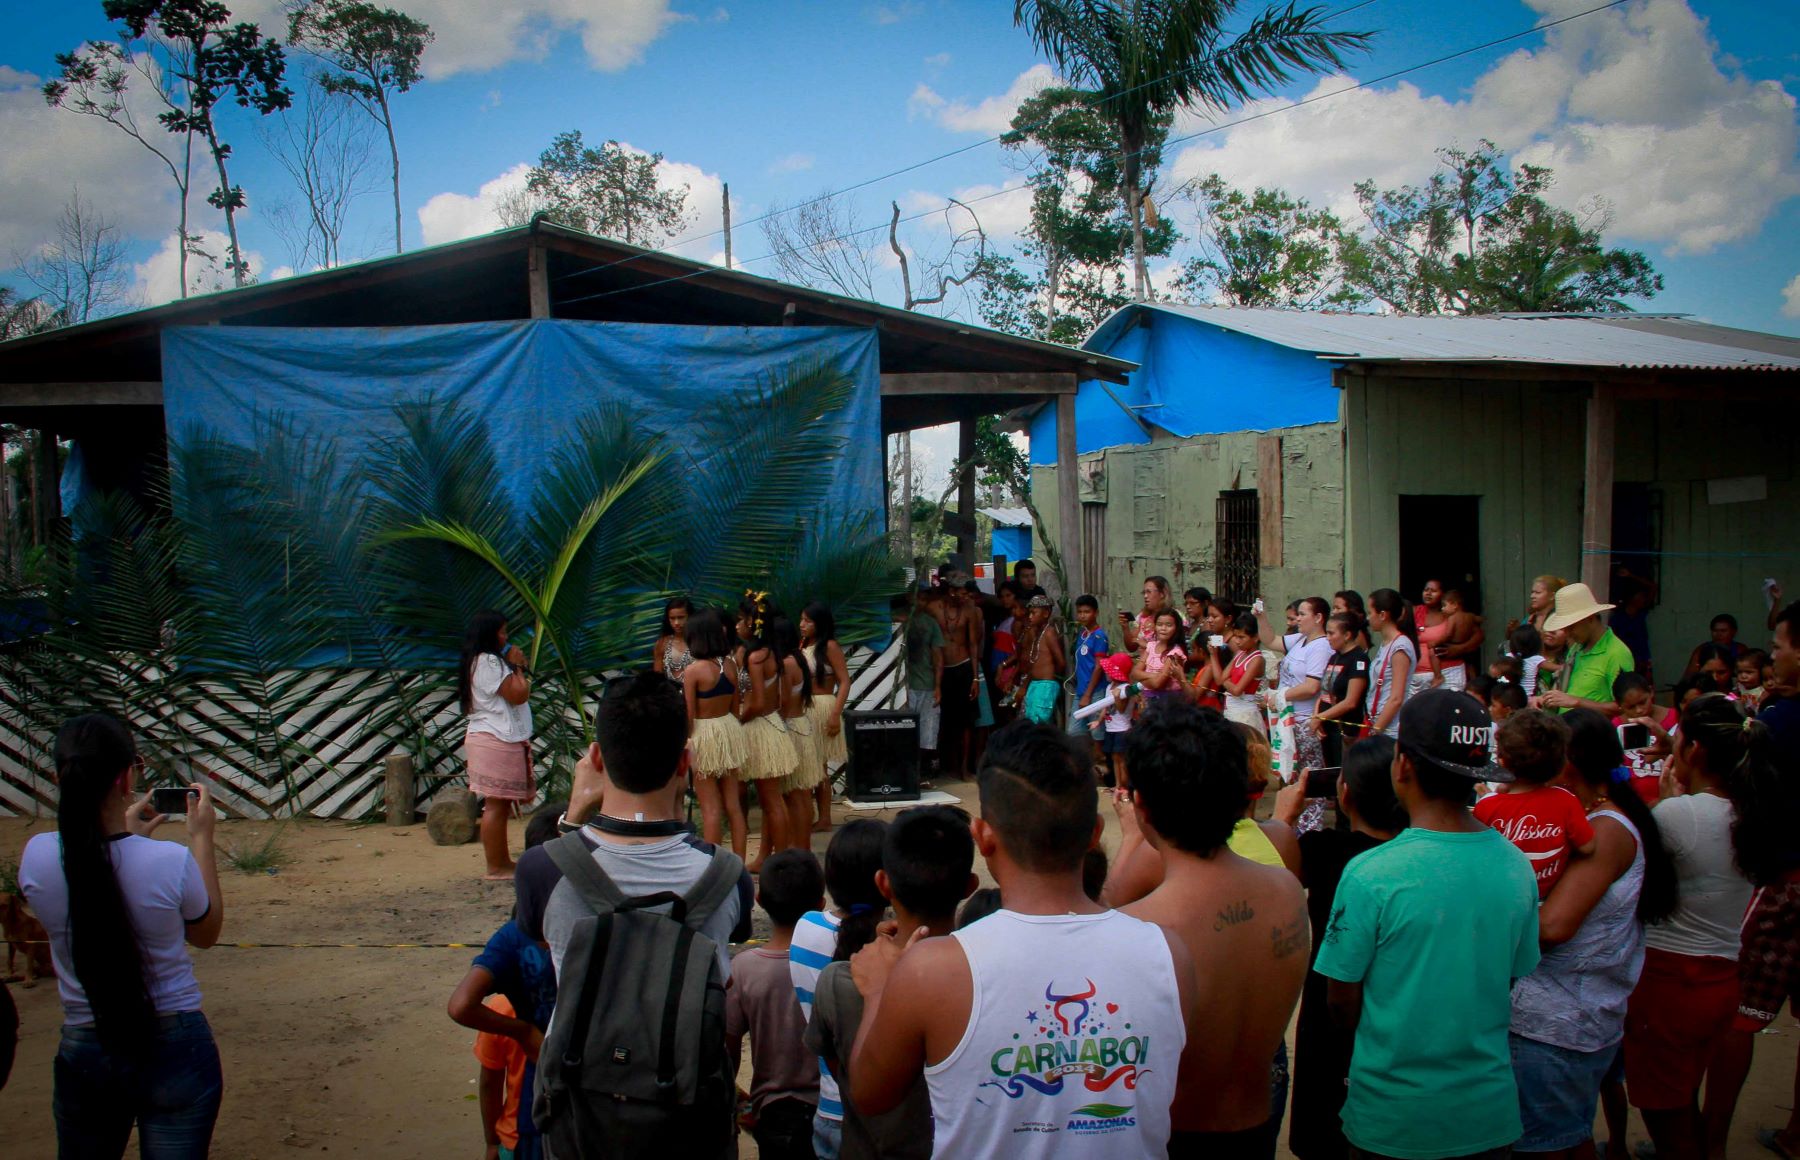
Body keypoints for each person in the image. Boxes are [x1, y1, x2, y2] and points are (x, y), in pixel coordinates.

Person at [847, 721, 1197, 1159]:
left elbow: (869, 1094)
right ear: (1093, 835)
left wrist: (880, 991)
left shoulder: (933, 970)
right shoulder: (1168, 956)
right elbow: (1168, 1092)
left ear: (983, 836)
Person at [1313, 689, 1541, 1160]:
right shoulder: (1516, 865)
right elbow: (1512, 975)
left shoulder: (1371, 873)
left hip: (1393, 1118)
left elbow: (1340, 1000)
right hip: (1487, 1112)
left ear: (1403, 765)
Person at [19, 715, 226, 1157]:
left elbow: (100, 882)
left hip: (86, 1043)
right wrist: (202, 838)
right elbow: (206, 931)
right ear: (128, 775)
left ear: (59, 776)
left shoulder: (36, 857)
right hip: (175, 1040)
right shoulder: (168, 861)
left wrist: (127, 837)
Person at [1120, 699, 1310, 1156]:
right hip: (1257, 1118)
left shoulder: (1134, 930)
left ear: (1141, 805)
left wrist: (1128, 841)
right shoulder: (1285, 889)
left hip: (1171, 1134)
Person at [1508, 709, 1675, 1160]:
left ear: (1567, 764)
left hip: (1555, 1026)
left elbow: (1554, 925)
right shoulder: (1591, 818)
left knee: (1544, 1145)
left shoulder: (1606, 829)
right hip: (1569, 1018)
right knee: (1566, 1135)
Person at [515, 669, 753, 981]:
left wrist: (574, 814)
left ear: (597, 759)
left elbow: (540, 931)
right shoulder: (729, 875)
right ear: (685, 763)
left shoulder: (540, 869)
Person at [1622, 694, 1755, 1160]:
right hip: (1722, 975)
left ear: (1694, 750)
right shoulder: (1750, 809)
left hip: (1671, 979)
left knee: (1664, 1107)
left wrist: (1667, 799)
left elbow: (1634, 874)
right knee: (1683, 1097)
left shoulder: (1680, 816)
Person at [807, 807, 976, 1160]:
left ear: (884, 884)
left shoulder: (839, 982)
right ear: (970, 886)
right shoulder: (983, 975)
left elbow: (847, 1080)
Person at [1273, 736, 1406, 1160]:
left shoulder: (1324, 850)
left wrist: (1283, 816)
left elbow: (1272, 882)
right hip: (1393, 1007)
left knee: (1326, 1126)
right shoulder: (1413, 856)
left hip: (1331, 999)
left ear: (1342, 792)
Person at [448, 807, 563, 1160]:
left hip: (534, 1103)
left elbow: (461, 1005)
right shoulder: (599, 928)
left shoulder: (512, 937)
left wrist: (522, 1032)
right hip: (588, 1095)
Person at [792, 817, 887, 1159]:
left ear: (829, 877)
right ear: (888, 881)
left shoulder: (805, 929)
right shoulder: (899, 944)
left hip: (831, 1109)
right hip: (890, 1119)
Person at [729, 848, 825, 1160]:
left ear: (759, 901)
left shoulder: (744, 968)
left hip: (773, 1110)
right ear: (821, 903)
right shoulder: (838, 960)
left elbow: (727, 1047)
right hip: (832, 1105)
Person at [1473, 709, 1596, 898]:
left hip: (1501, 901)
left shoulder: (1487, 805)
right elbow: (1588, 847)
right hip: (1545, 901)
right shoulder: (1566, 800)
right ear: (1560, 762)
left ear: (1503, 761)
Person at [460, 609, 535, 880]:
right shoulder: (488, 662)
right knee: (495, 805)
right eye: (502, 631)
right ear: (489, 634)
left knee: (498, 804)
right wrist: (515, 665)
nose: (506, 637)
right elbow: (518, 694)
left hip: (493, 737)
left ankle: (502, 861)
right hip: (494, 739)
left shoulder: (481, 661)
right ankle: (496, 866)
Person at [682, 607, 752, 856]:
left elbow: (689, 715)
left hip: (704, 735)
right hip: (729, 731)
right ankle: (739, 863)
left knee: (710, 808)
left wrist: (685, 743)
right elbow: (735, 709)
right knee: (733, 805)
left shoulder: (693, 671)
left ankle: (713, 866)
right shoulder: (731, 665)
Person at [738, 593, 796, 869]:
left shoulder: (756, 657)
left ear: (753, 622)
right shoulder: (772, 652)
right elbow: (781, 699)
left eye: (741, 620)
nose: (738, 625)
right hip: (773, 725)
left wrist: (739, 719)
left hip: (760, 727)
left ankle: (781, 861)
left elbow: (759, 702)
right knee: (771, 799)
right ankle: (766, 857)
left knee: (772, 801)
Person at [1537, 583, 1634, 717]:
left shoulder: (1617, 653)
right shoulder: (1576, 649)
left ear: (1590, 618)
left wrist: (1577, 702)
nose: (1567, 633)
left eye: (1571, 627)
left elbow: (1626, 707)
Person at [772, 614, 825, 842]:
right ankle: (803, 849)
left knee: (795, 796)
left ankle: (800, 848)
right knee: (801, 794)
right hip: (802, 726)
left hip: (791, 728)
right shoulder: (799, 659)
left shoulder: (786, 664)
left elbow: (781, 703)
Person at [803, 602, 852, 833]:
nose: (802, 625)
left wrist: (835, 714)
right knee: (807, 766)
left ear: (819, 624)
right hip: (803, 708)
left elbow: (844, 681)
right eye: (801, 620)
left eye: (807, 621)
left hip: (823, 707)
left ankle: (824, 817)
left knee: (819, 766)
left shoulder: (830, 646)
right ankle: (808, 813)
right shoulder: (802, 645)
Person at [933, 579, 984, 781]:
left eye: (966, 594)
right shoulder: (934, 608)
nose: (964, 597)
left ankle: (964, 768)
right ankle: (949, 765)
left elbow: (973, 644)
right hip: (942, 670)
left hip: (964, 667)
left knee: (967, 723)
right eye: (961, 593)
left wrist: (975, 677)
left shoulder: (970, 610)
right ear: (950, 591)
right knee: (946, 720)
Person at [1314, 612, 1371, 767]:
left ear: (1347, 635)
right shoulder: (1334, 657)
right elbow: (1324, 692)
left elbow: (1351, 701)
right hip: (1327, 728)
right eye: (1327, 633)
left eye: (1331, 633)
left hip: (1345, 730)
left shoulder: (1358, 659)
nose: (1328, 637)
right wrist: (1317, 716)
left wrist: (1320, 717)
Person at [896, 592, 944, 774]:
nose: (920, 602)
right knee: (903, 731)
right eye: (917, 597)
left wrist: (938, 686)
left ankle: (919, 772)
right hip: (901, 686)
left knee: (926, 731)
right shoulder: (897, 617)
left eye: (924, 599)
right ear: (909, 597)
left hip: (926, 683)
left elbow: (938, 657)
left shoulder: (930, 623)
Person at [1364, 588, 1418, 739]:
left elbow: (1396, 698)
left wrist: (1376, 729)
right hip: (1380, 723)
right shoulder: (1386, 643)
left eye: (1370, 612)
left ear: (1382, 615)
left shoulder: (1400, 646)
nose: (1368, 618)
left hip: (1391, 730)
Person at [1067, 595, 1110, 751]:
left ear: (1096, 613)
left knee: (1097, 733)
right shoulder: (1083, 634)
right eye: (1080, 612)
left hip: (1095, 691)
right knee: (1073, 731)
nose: (1083, 615)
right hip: (1081, 690)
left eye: (1087, 611)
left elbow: (1099, 667)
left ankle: (1100, 766)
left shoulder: (1100, 636)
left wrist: (1087, 694)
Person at [1018, 594, 1066, 725]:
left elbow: (1061, 662)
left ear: (1045, 613)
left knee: (1039, 725)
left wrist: (1051, 678)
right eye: (1030, 613)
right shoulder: (1037, 632)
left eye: (1034, 613)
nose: (1030, 616)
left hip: (1046, 685)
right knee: (1031, 723)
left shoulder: (1049, 632)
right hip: (1035, 684)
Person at [1223, 612, 1270, 735]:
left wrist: (1226, 681)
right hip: (1231, 711)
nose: (1237, 641)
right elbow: (1221, 678)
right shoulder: (1239, 654)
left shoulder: (1257, 659)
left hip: (1246, 714)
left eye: (1241, 637)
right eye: (1236, 636)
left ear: (1255, 638)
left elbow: (1237, 690)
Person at [1432, 590, 1486, 690]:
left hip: (1453, 646)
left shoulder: (1452, 618)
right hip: (1466, 647)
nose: (1442, 609)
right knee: (1470, 665)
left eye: (1444, 605)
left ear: (1455, 605)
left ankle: (1438, 675)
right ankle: (1474, 684)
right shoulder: (1469, 616)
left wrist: (1436, 642)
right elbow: (1480, 619)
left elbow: (1448, 635)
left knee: (1433, 653)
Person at [1133, 607, 1187, 701]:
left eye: (1169, 625)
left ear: (1176, 628)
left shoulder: (1175, 653)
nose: (1163, 628)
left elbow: (1157, 683)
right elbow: (1135, 673)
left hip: (1168, 700)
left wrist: (1142, 680)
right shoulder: (1151, 646)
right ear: (1155, 626)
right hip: (1148, 697)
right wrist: (1155, 675)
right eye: (1159, 624)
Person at [1118, 574, 1173, 653]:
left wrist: (1147, 645)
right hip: (1142, 663)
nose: (1145, 596)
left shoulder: (1174, 616)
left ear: (1162, 594)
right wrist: (1125, 628)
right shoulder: (1142, 617)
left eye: (1149, 592)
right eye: (1144, 593)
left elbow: (1175, 649)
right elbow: (1131, 647)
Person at [1683, 614, 1745, 680]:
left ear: (1733, 632)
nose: (1718, 635)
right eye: (1715, 631)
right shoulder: (1701, 650)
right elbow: (1689, 677)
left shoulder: (1740, 649)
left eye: (1723, 631)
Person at [652, 595, 695, 681]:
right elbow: (658, 676)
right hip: (670, 692)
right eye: (672, 618)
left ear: (690, 616)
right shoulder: (662, 643)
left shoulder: (700, 641)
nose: (676, 623)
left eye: (681, 617)